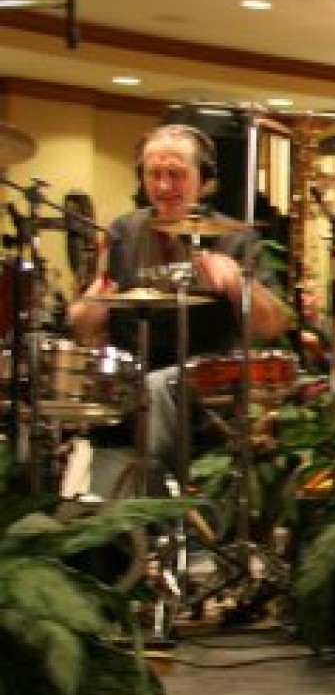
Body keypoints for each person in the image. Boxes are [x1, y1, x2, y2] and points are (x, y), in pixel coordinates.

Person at [68, 123, 289, 490]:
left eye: (176, 174)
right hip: (130, 392)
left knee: (158, 388)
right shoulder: (123, 233)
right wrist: (92, 307)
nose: (163, 185)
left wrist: (238, 284)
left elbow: (274, 324)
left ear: (204, 179)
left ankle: (153, 493)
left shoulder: (234, 239)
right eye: (153, 174)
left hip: (207, 394)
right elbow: (82, 325)